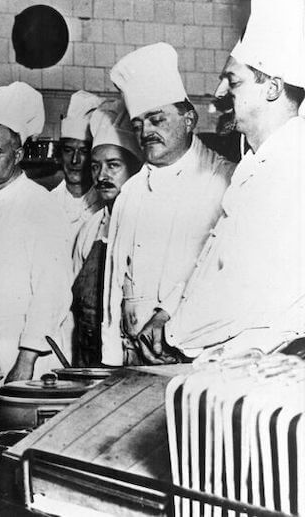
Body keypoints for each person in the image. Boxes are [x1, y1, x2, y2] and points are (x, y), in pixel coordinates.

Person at [166, 0, 305, 360]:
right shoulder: (261, 164)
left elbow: (242, 292)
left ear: (273, 89)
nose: (222, 93)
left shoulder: (290, 169)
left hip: (264, 369)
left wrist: (173, 334)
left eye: (235, 81)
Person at [101, 42, 236, 366]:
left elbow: (221, 270)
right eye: (137, 126)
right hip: (133, 358)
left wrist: (168, 315)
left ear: (189, 118)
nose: (146, 132)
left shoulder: (224, 181)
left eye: (156, 120)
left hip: (193, 354)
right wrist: (110, 360)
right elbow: (113, 284)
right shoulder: (130, 192)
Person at [0, 82, 73, 382]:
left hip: (22, 350)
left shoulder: (40, 205)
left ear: (18, 154)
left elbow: (51, 291)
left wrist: (26, 359)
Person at [71, 101, 143, 367]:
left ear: (134, 169)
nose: (102, 175)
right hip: (88, 360)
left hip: (132, 363)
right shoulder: (89, 229)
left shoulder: (145, 226)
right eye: (95, 167)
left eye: (113, 165)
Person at [49, 90, 105, 244]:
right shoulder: (47, 203)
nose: (75, 160)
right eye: (68, 151)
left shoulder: (104, 203)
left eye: (84, 151)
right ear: (59, 155)